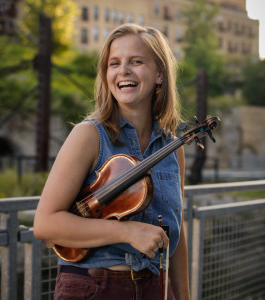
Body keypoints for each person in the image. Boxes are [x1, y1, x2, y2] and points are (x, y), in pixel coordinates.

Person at [34, 23, 190, 300]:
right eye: (114, 63)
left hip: (154, 288)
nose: (123, 71)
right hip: (93, 288)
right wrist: (127, 232)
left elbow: (177, 229)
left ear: (160, 74)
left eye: (136, 61)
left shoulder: (172, 146)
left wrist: (184, 297)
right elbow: (45, 224)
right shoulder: (89, 136)